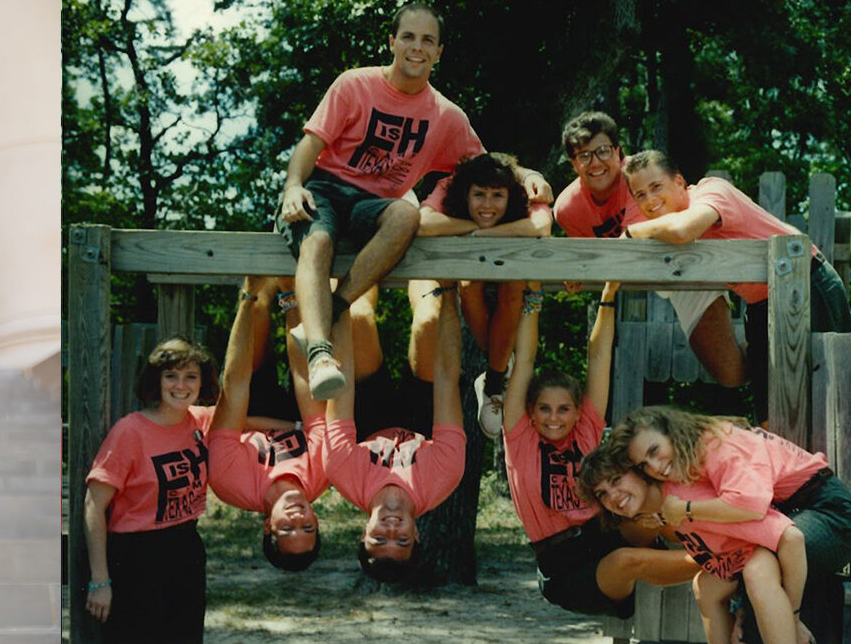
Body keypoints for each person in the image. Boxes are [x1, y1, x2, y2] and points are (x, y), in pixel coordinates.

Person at [276, 2, 551, 402]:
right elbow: (311, 143)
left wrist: (530, 176)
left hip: (376, 204)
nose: (416, 47)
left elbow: (489, 165)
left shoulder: (445, 116)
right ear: (391, 42)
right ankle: (319, 354)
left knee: (407, 214)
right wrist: (292, 187)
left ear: (439, 52)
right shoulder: (354, 84)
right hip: (325, 187)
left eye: (428, 40)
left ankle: (329, 310)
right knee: (317, 243)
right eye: (408, 37)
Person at [497, 281, 701, 617]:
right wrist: (532, 296)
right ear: (530, 413)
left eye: (563, 409)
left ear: (578, 412)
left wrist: (608, 294)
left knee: (655, 510)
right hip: (563, 566)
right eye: (544, 409)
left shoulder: (585, 432)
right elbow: (526, 359)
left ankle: (733, 534)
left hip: (605, 531)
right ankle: (726, 560)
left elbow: (599, 356)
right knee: (626, 560)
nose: (553, 418)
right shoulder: (521, 438)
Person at [622, 149, 851, 420]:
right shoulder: (663, 228)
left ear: (679, 182)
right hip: (760, 305)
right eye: (640, 195)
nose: (650, 200)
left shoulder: (710, 192)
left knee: (830, 402)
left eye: (656, 187)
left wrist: (633, 230)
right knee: (771, 415)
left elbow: (682, 230)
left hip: (806, 284)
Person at [614, 406, 851, 642]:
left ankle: (791, 625)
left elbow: (749, 506)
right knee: (706, 585)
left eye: (654, 451)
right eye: (644, 465)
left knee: (758, 568)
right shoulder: (691, 458)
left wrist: (684, 510)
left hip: (831, 513)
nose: (655, 467)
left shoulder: (717, 445)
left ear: (672, 432)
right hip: (791, 511)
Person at [553, 112, 744, 391]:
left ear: (619, 153)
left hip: (680, 260)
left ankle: (765, 345)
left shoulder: (637, 177)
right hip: (632, 279)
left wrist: (595, 263)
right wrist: (578, 270)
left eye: (603, 151)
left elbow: (636, 248)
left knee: (731, 372)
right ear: (573, 164)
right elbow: (588, 260)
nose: (595, 163)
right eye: (584, 155)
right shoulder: (567, 209)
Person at [578, 441, 810, 644]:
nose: (613, 496)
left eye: (616, 480)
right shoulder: (660, 514)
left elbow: (776, 529)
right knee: (705, 585)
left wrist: (790, 617)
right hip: (738, 559)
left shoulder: (685, 500)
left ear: (639, 471)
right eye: (602, 494)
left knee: (756, 571)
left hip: (777, 540)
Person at [312, 280, 466, 583]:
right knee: (429, 322)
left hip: (369, 418)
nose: (391, 530)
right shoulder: (444, 476)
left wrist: (338, 300)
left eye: (380, 539)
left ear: (363, 533)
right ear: (417, 535)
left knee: (355, 317)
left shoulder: (343, 472)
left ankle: (358, 260)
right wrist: (449, 290)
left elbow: (341, 385)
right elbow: (447, 378)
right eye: (402, 540)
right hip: (422, 420)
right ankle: (428, 260)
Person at [84, 334, 217, 642]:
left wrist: (300, 427)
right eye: (171, 376)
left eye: (190, 377)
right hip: (136, 558)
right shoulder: (130, 431)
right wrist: (99, 580)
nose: (180, 385)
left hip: (186, 549)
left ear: (201, 383)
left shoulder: (201, 422)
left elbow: (249, 419)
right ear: (157, 380)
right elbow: (94, 506)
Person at [417, 152, 553, 433]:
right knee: (469, 282)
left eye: (497, 196)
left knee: (514, 284)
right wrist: (472, 225)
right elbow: (422, 223)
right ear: (465, 193)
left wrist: (482, 235)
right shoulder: (449, 185)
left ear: (509, 194)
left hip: (513, 282)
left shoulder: (525, 188)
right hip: (469, 283)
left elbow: (541, 226)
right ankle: (497, 369)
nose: (487, 205)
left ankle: (493, 380)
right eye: (479, 195)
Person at [207, 277, 332, 572]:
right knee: (316, 375)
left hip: (248, 403)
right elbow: (306, 382)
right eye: (308, 528)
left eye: (288, 530)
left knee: (259, 304)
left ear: (267, 527)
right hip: (296, 414)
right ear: (316, 521)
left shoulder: (229, 483)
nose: (298, 519)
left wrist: (248, 297)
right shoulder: (323, 474)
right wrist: (291, 298)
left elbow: (233, 388)